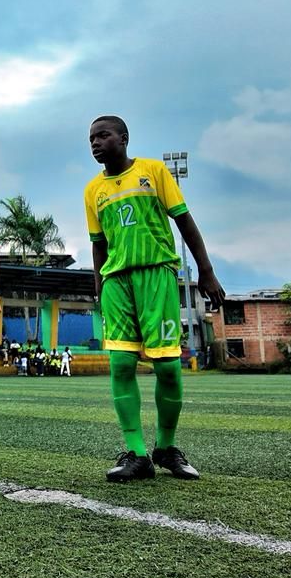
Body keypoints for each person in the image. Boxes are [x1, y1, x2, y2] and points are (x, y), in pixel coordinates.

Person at [86, 115, 224, 483]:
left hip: (157, 274)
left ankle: (166, 447)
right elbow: (98, 244)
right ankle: (136, 452)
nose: (95, 143)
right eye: (91, 138)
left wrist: (206, 271)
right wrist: (99, 286)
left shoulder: (154, 171)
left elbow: (184, 221)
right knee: (120, 364)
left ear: (124, 138)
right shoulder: (92, 190)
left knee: (167, 367)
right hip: (116, 281)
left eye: (103, 135)